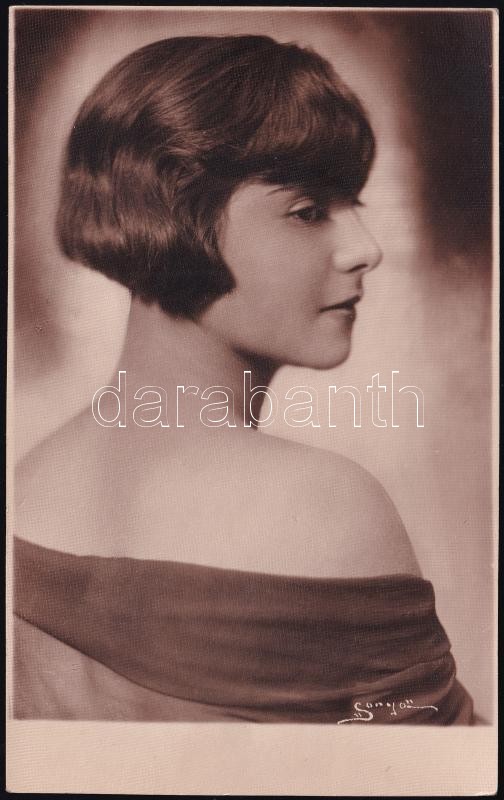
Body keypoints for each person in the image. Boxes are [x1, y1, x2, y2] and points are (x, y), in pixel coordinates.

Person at [13, 34, 475, 723]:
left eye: (353, 206)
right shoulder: (325, 503)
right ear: (168, 211)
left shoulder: (30, 480)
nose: (366, 249)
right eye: (309, 211)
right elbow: (438, 767)